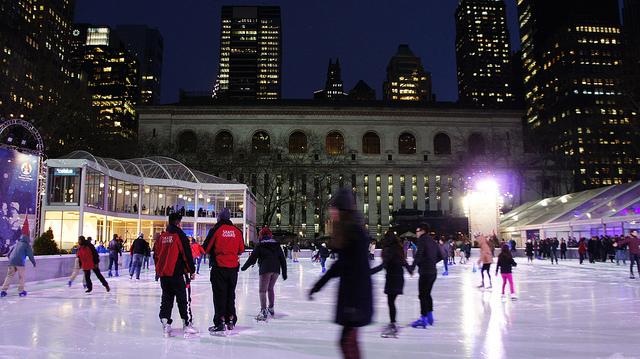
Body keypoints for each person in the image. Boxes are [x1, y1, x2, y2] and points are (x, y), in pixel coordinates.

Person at [309, 189, 372, 359]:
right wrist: (318, 286)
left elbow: (356, 270)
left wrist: (354, 306)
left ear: (342, 211)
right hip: (353, 299)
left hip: (355, 300)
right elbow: (339, 266)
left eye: (334, 209)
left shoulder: (354, 234)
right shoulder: (348, 233)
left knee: (347, 342)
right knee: (347, 342)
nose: (332, 213)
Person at [154, 213, 197, 338]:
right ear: (178, 222)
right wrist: (191, 270)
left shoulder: (161, 237)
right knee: (183, 299)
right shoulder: (180, 236)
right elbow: (186, 254)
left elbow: (155, 255)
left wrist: (159, 270)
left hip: (164, 275)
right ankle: (186, 324)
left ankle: (165, 323)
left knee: (166, 299)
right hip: (178, 273)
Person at [203, 208, 245, 334]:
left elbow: (206, 247)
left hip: (219, 268)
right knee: (230, 295)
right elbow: (241, 249)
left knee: (219, 295)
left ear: (220, 218)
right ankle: (230, 319)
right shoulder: (237, 231)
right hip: (233, 269)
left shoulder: (216, 230)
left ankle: (220, 321)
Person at [370, 230, 412, 338]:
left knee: (391, 302)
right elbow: (404, 262)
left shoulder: (389, 249)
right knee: (391, 301)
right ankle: (392, 322)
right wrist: (410, 270)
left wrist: (369, 272)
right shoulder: (398, 248)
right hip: (399, 278)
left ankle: (393, 324)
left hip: (392, 279)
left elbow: (383, 265)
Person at [241, 226, 287, 321]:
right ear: (270, 235)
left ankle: (263, 310)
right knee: (270, 289)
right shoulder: (276, 245)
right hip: (276, 270)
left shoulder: (260, 245)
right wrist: (284, 273)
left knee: (262, 290)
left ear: (261, 235)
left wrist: (244, 267)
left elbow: (252, 258)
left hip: (265, 269)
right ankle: (271, 307)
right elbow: (282, 259)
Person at [408, 222, 443, 328]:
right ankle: (430, 315)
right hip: (433, 272)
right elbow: (441, 256)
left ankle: (423, 319)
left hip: (425, 272)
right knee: (427, 294)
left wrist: (412, 267)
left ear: (422, 231)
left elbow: (418, 255)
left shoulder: (422, 240)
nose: (416, 233)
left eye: (417, 231)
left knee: (422, 295)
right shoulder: (433, 241)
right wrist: (431, 262)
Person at [0, 223, 35, 298]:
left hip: (12, 262)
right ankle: (21, 291)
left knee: (9, 276)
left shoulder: (17, 243)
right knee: (21, 277)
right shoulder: (26, 245)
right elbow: (30, 255)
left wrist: (11, 260)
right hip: (20, 263)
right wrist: (34, 262)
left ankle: (3, 291)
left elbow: (9, 253)